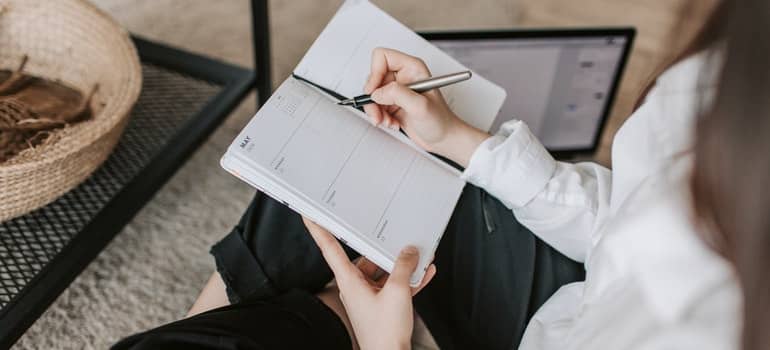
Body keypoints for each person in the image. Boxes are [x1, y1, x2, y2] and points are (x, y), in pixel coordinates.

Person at [114, 0, 768, 348]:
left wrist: (385, 347)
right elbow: (627, 217)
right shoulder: (731, 80)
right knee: (338, 171)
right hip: (577, 299)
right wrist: (463, 141)